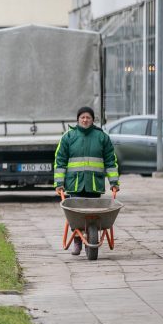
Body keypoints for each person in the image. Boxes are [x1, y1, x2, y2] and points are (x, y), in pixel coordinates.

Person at [54, 105, 120, 255]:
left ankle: (90, 239)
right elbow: (60, 161)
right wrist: (59, 183)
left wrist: (114, 182)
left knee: (94, 216)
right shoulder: (68, 137)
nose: (85, 120)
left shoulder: (102, 137)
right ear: (78, 119)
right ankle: (77, 242)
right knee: (76, 215)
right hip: (75, 184)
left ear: (92, 119)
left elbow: (111, 161)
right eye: (82, 117)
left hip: (94, 184)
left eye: (88, 117)